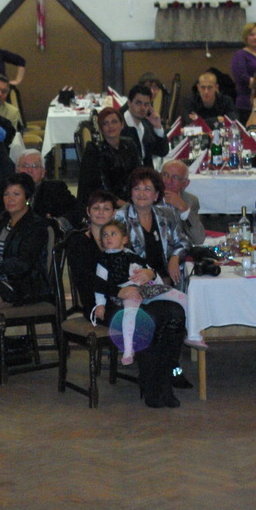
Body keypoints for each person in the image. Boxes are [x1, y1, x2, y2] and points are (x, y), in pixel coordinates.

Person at [118, 167, 191, 403]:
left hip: (163, 286)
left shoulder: (167, 214)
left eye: (147, 189)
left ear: (157, 194)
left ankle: (167, 375)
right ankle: (154, 384)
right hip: (133, 287)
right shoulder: (120, 218)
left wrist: (175, 257)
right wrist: (147, 271)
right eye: (137, 188)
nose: (141, 193)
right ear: (130, 192)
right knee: (157, 318)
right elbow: (117, 254)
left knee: (177, 315)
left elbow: (183, 241)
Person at [93, 219, 192, 366]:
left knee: (182, 297)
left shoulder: (132, 255)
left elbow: (150, 271)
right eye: (105, 235)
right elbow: (99, 285)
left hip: (145, 288)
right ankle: (128, 349)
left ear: (124, 239)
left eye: (113, 234)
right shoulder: (104, 261)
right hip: (126, 292)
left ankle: (192, 331)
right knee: (130, 312)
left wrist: (151, 275)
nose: (108, 238)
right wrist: (100, 304)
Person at [0, 173, 50, 314]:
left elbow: (23, 263)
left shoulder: (35, 226)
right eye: (6, 194)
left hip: (21, 285)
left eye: (16, 194)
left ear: (27, 198)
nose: (10, 199)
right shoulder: (1, 220)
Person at [76, 106, 140, 209]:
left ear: (122, 125)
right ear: (101, 129)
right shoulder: (95, 150)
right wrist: (120, 203)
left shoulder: (129, 144)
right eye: (105, 123)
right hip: (105, 201)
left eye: (114, 122)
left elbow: (139, 173)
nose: (110, 126)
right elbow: (99, 185)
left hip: (131, 196)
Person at [15, 150, 78, 230]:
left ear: (43, 172)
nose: (29, 170)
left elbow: (76, 210)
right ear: (16, 171)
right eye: (25, 166)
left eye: (35, 166)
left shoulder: (56, 189)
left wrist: (58, 223)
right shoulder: (7, 192)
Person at [160, 160, 205, 244]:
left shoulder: (190, 200)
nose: (168, 181)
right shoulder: (148, 197)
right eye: (165, 175)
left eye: (175, 177)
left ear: (185, 184)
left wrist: (184, 209)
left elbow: (198, 239)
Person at [123, 84, 169, 165]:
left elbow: (162, 152)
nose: (142, 108)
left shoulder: (146, 124)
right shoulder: (121, 126)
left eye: (146, 104)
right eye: (138, 103)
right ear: (129, 103)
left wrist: (158, 127)